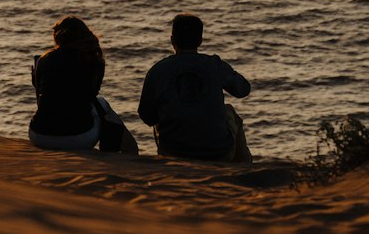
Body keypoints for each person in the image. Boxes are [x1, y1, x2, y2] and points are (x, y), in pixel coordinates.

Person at [137, 13, 252, 162]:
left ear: (172, 40)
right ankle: (244, 169)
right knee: (229, 111)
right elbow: (243, 89)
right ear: (200, 41)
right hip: (218, 152)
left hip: (172, 153)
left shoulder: (158, 70)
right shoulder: (214, 64)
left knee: (161, 113)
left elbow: (147, 116)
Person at [28, 15, 137, 154]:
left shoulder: (44, 60)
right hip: (80, 137)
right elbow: (92, 94)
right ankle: (116, 154)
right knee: (102, 104)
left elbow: (41, 97)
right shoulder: (92, 59)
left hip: (39, 135)